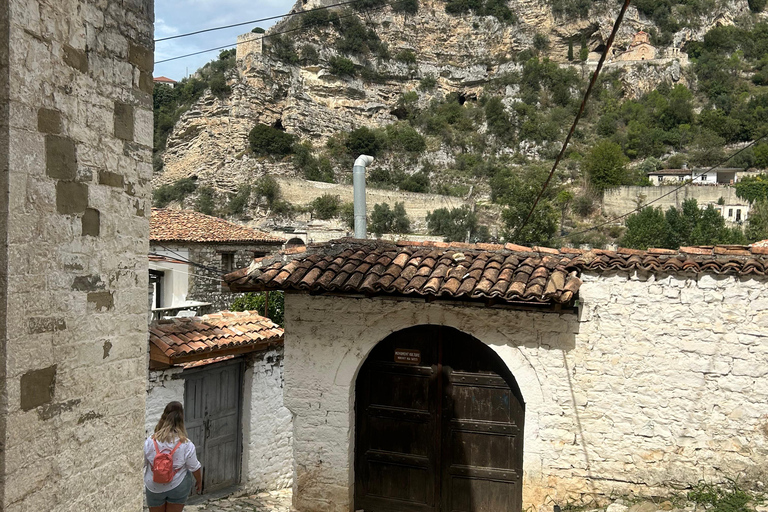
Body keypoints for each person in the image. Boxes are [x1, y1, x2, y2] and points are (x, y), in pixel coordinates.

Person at [144, 402, 203, 512]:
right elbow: (194, 466)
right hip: (178, 484)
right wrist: (199, 481)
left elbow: (141, 464)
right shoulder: (186, 444)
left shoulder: (150, 442)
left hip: (154, 486)